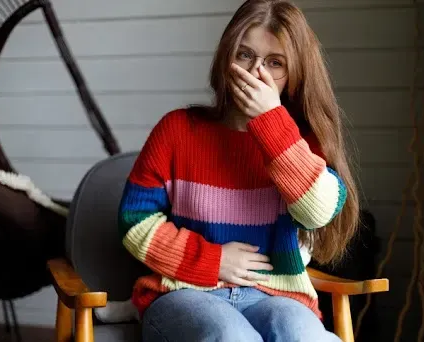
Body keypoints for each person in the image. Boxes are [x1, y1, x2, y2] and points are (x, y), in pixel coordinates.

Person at [117, 0, 360, 340]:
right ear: (226, 57)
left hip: (276, 296)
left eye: (275, 63)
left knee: (303, 334)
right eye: (244, 55)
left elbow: (317, 213)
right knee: (230, 335)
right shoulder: (177, 129)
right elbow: (134, 220)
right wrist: (211, 260)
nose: (254, 72)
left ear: (295, 75)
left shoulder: (304, 142)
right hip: (185, 294)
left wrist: (271, 124)